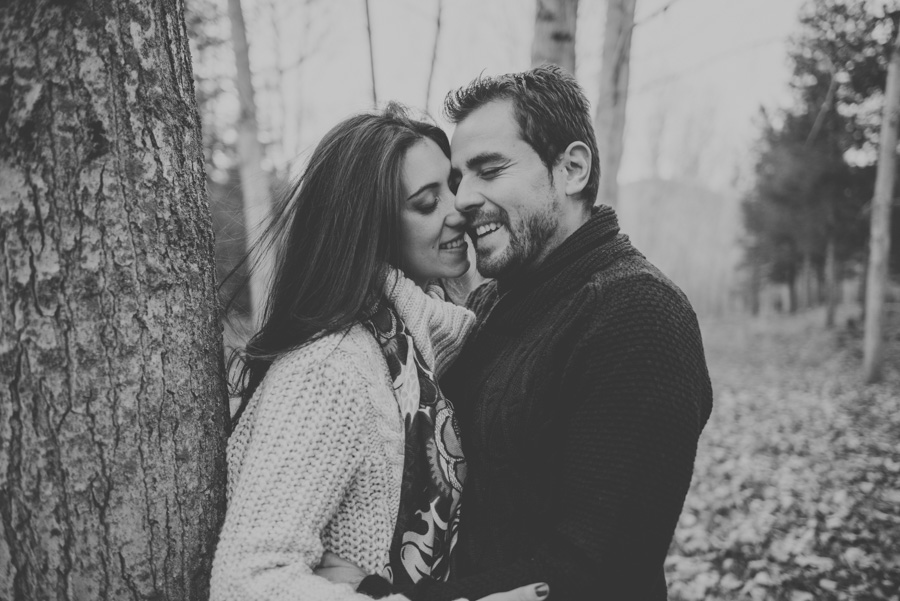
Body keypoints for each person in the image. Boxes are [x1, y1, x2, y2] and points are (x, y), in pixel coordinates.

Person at [323, 66, 714, 600]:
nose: (462, 200)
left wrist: (376, 595)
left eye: (490, 169)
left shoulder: (638, 315)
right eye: (459, 179)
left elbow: (594, 575)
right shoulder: (497, 301)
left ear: (572, 168)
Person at [209, 104, 547, 601]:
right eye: (427, 203)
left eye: (453, 186)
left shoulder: (413, 354)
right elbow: (247, 580)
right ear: (371, 229)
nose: (461, 208)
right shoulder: (332, 369)